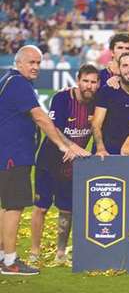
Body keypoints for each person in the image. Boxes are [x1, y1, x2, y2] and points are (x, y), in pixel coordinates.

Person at [0, 46, 89, 275]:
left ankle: (3, 255)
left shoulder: (10, 80)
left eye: (38, 63)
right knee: (14, 206)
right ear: (18, 63)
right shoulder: (19, 83)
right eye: (31, 62)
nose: (36, 67)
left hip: (9, 154)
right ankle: (10, 262)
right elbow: (40, 117)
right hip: (14, 155)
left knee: (7, 205)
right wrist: (63, 145)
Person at [30, 65, 101, 264]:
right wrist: (72, 147)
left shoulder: (97, 103)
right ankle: (34, 252)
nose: (89, 85)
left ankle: (60, 253)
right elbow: (55, 130)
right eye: (85, 81)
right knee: (41, 207)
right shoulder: (62, 99)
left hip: (72, 166)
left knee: (66, 210)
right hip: (49, 161)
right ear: (78, 80)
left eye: (93, 82)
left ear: (98, 84)